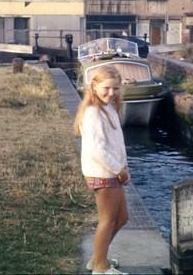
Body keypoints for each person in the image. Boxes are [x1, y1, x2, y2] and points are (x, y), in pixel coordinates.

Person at [73, 66, 130, 275]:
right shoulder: (93, 113)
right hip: (103, 173)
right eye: (106, 88)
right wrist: (118, 169)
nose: (111, 93)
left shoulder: (109, 108)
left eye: (116, 88)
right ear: (94, 87)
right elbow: (98, 150)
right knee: (108, 220)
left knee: (122, 218)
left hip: (113, 171)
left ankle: (98, 257)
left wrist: (125, 166)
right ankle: (100, 267)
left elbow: (117, 144)